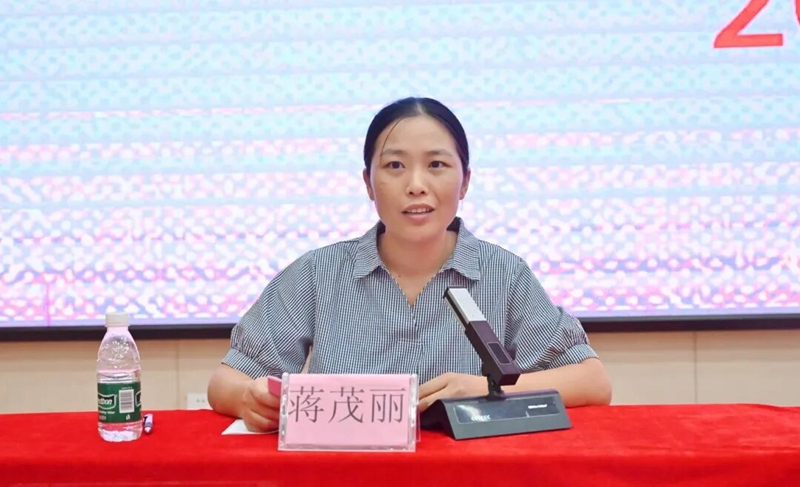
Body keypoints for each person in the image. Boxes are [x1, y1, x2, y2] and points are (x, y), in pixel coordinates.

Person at [207, 97, 612, 432]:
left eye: (436, 165)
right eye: (395, 166)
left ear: (465, 182)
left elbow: (592, 381)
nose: (416, 185)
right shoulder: (318, 273)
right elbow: (227, 380)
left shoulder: (504, 274)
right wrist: (249, 399)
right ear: (368, 183)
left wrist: (487, 390)